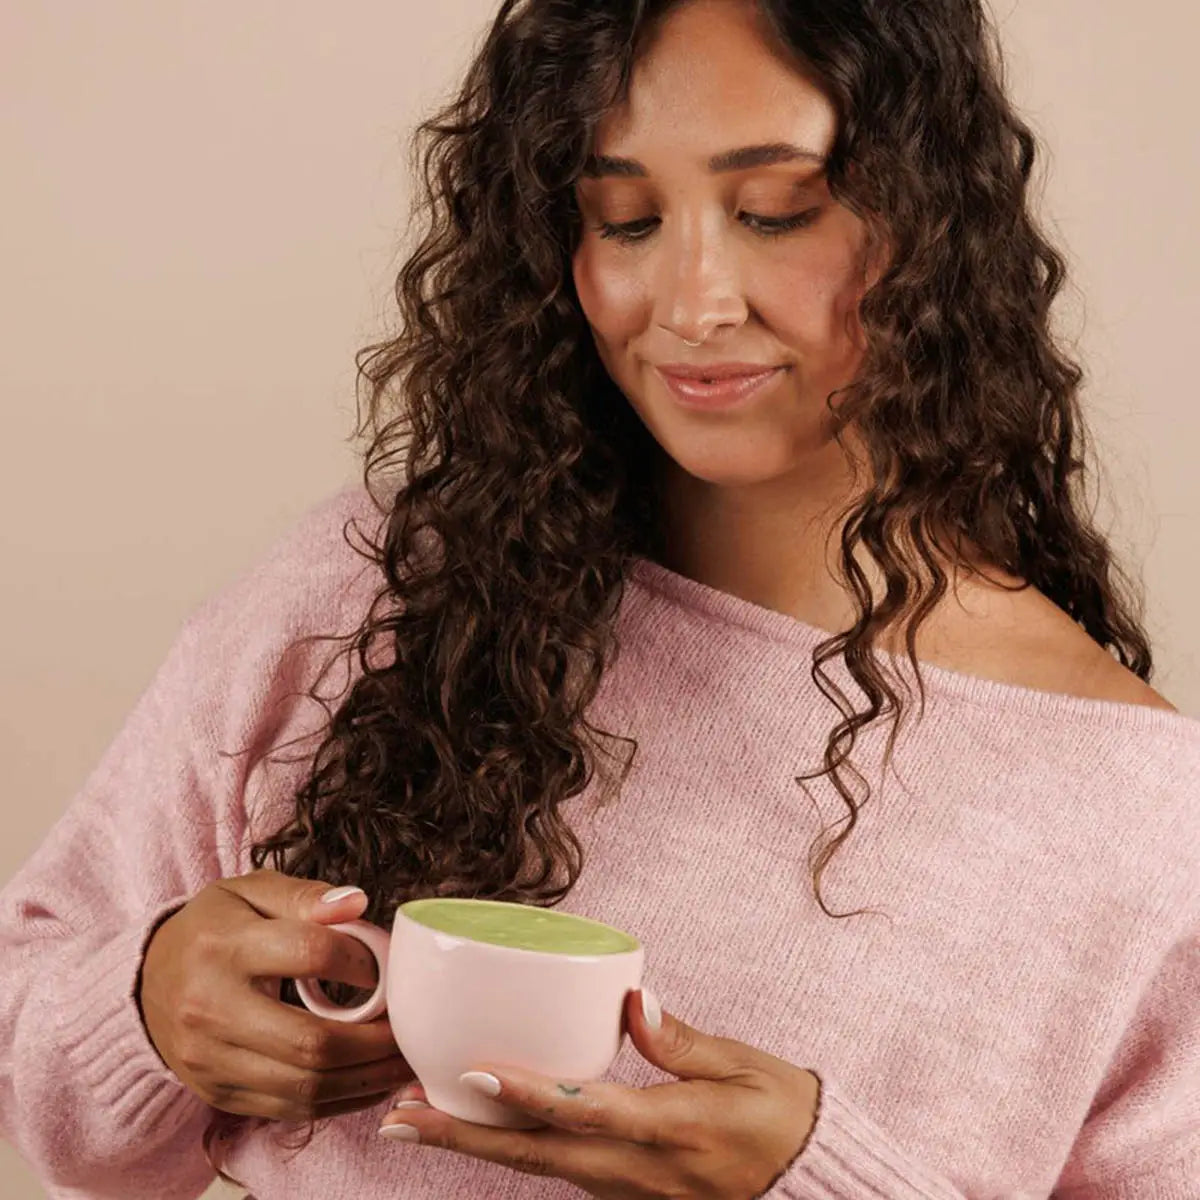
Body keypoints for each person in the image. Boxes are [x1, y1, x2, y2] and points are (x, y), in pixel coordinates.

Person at [2, 0, 1197, 1196]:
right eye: (623, 219)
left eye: (775, 212)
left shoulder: (1140, 820)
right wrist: (149, 1006)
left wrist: (816, 1179)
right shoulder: (377, 588)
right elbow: (33, 1023)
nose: (691, 305)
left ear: (940, 226)